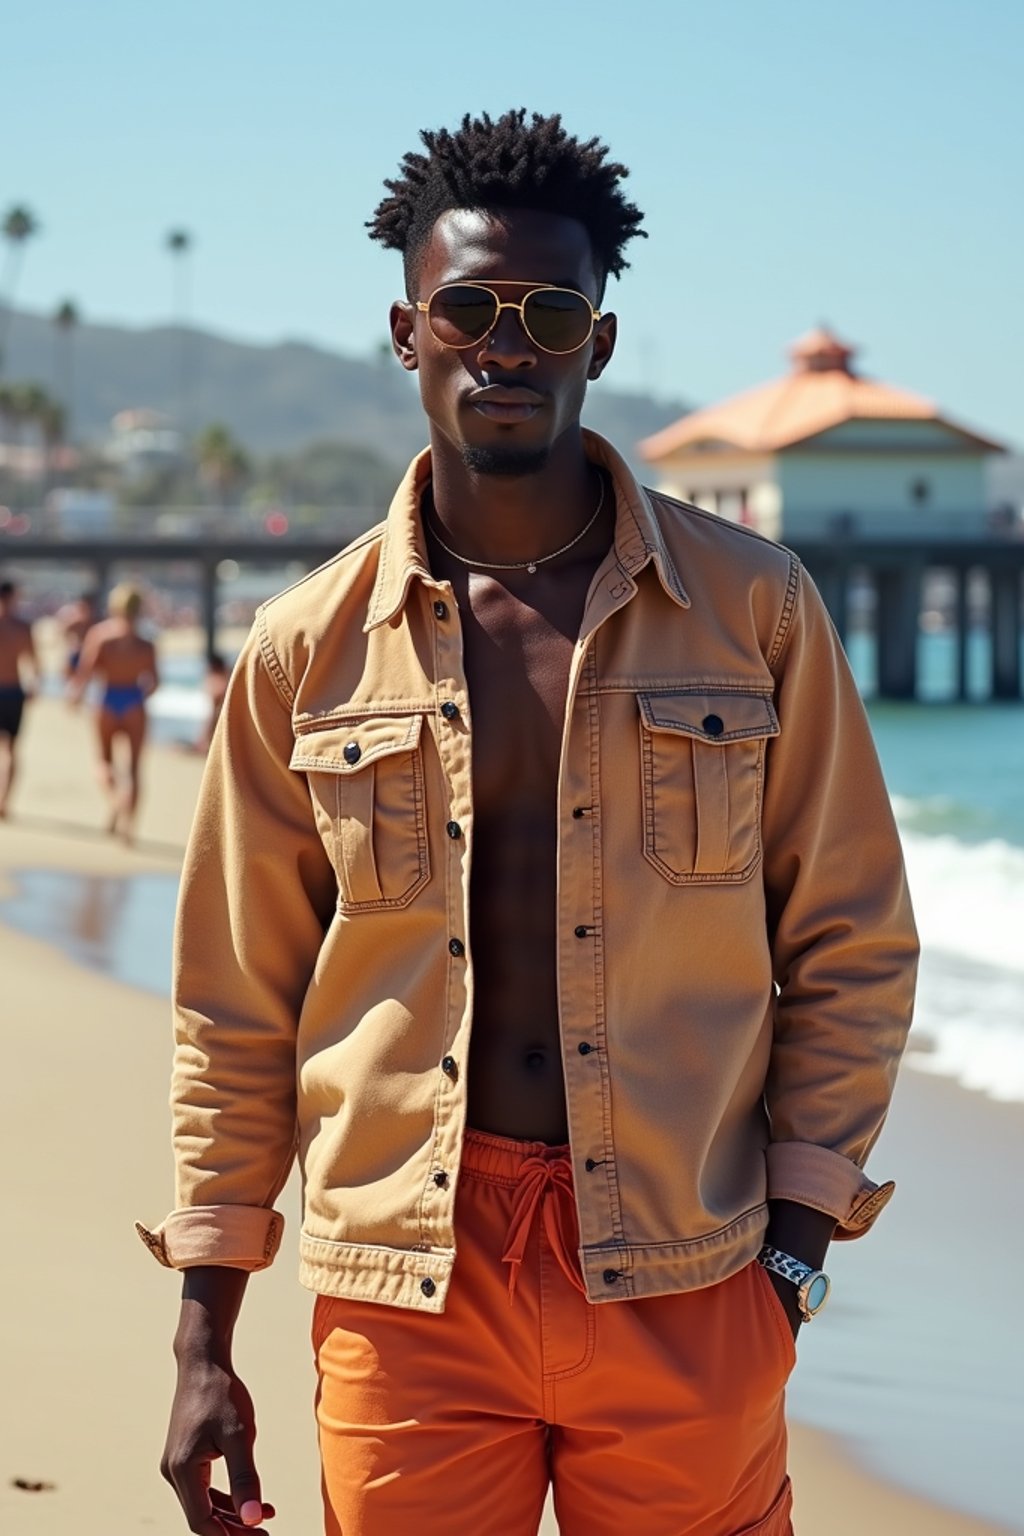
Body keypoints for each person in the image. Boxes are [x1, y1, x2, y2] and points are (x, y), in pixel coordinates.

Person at [141, 110, 918, 1536]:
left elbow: (852, 939)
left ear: (598, 342)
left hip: (687, 1266)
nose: (509, 343)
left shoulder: (753, 612)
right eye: (469, 308)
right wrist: (205, 1331)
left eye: (549, 310)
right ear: (407, 330)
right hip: (407, 1283)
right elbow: (234, 1001)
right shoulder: (306, 646)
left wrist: (796, 1253)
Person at [70, 582, 158, 841]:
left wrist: (75, 695)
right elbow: (154, 682)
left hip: (108, 698)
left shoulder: (100, 635)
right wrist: (138, 699)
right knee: (134, 769)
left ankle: (116, 800)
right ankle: (128, 827)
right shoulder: (146, 644)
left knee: (103, 762)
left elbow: (85, 673)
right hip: (133, 699)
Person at [0, 577, 39, 818]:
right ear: (12, 597)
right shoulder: (22, 628)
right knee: (11, 750)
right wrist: (33, 685)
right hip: (14, 691)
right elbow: (33, 663)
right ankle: (4, 801)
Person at [56, 589, 99, 683]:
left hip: (88, 653)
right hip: (77, 651)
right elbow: (63, 631)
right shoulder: (77, 622)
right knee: (69, 675)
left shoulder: (93, 622)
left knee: (86, 677)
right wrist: (72, 643)